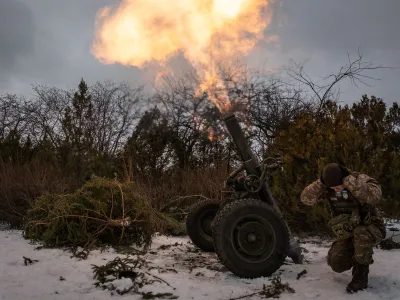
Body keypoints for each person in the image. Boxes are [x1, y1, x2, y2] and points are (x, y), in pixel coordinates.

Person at [300, 163, 386, 293]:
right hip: (348, 232)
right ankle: (357, 256)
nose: (337, 189)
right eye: (333, 187)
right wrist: (321, 182)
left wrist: (349, 182)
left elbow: (375, 196)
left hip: (372, 228)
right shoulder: (327, 187)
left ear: (344, 178)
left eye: (339, 185)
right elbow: (305, 199)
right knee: (336, 263)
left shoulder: (359, 179)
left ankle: (361, 275)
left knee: (360, 233)